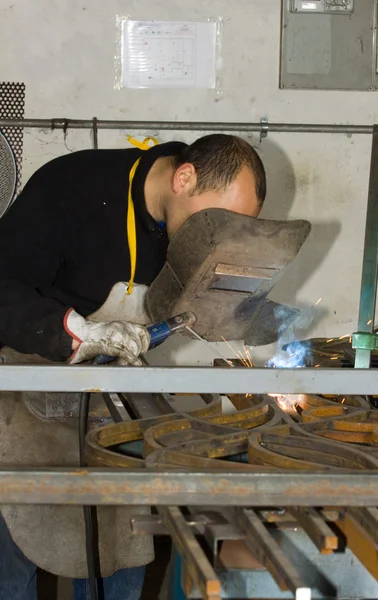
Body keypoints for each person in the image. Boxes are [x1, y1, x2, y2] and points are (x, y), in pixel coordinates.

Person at [0, 134, 266, 600]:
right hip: (30, 390)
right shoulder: (72, 187)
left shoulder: (188, 223)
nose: (221, 240)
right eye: (220, 223)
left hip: (113, 398)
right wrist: (70, 333)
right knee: (15, 548)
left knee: (120, 550)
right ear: (184, 178)